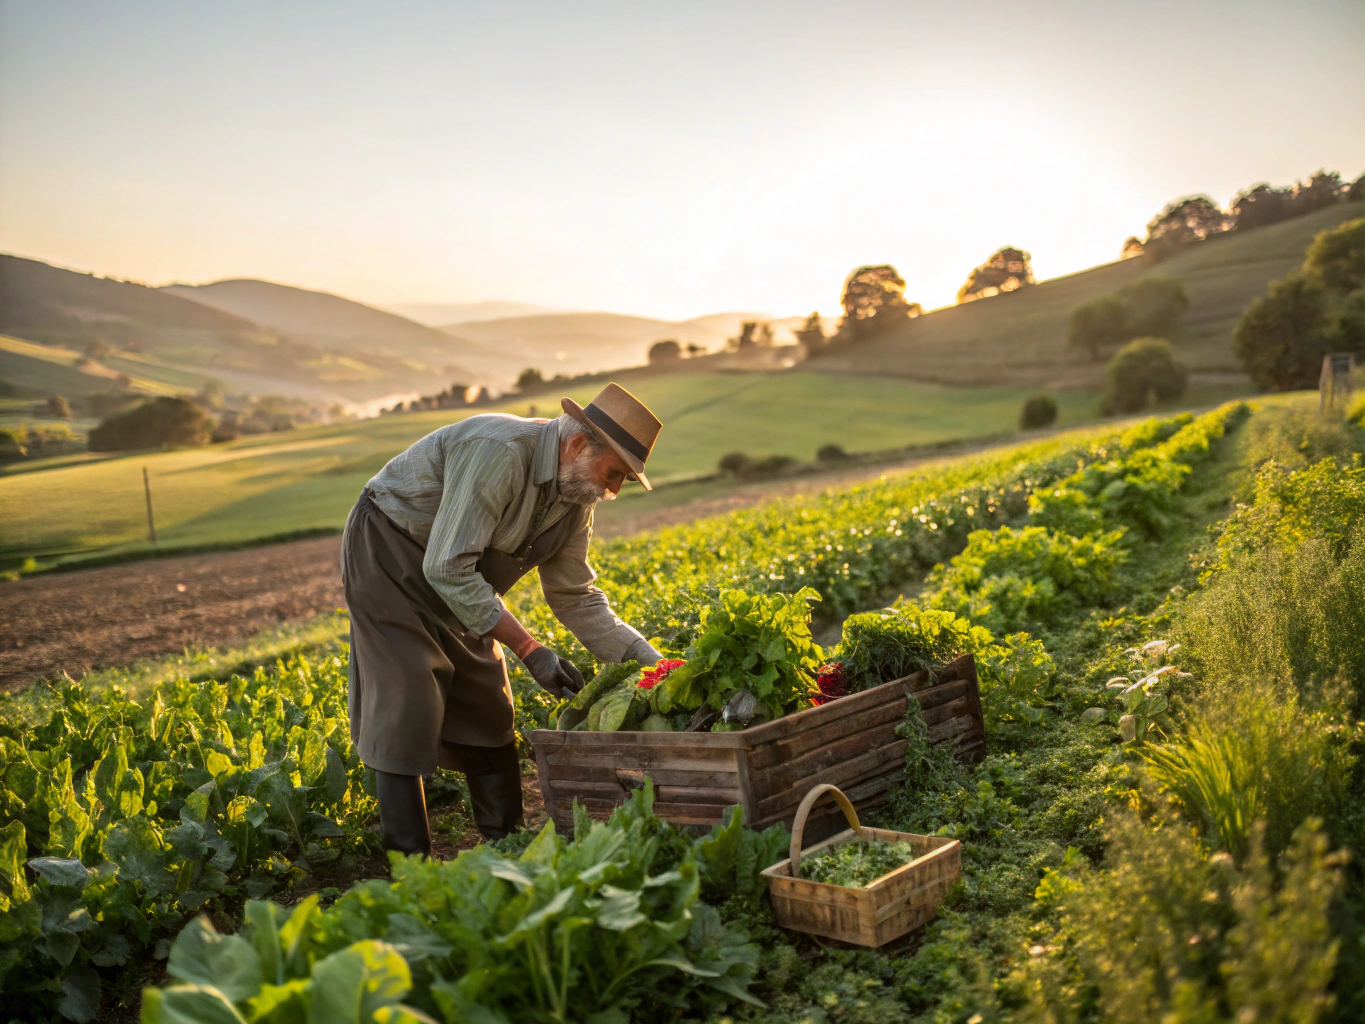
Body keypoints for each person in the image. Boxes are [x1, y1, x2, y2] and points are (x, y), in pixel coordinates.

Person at [341, 383, 664, 853]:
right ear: (577, 445)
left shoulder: (576, 500)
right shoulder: (499, 451)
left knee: (488, 700)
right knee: (406, 693)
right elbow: (445, 566)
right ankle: (410, 869)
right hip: (391, 552)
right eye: (614, 473)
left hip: (459, 572)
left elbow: (577, 597)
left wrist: (657, 667)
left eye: (624, 482)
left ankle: (508, 845)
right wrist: (530, 649)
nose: (613, 490)